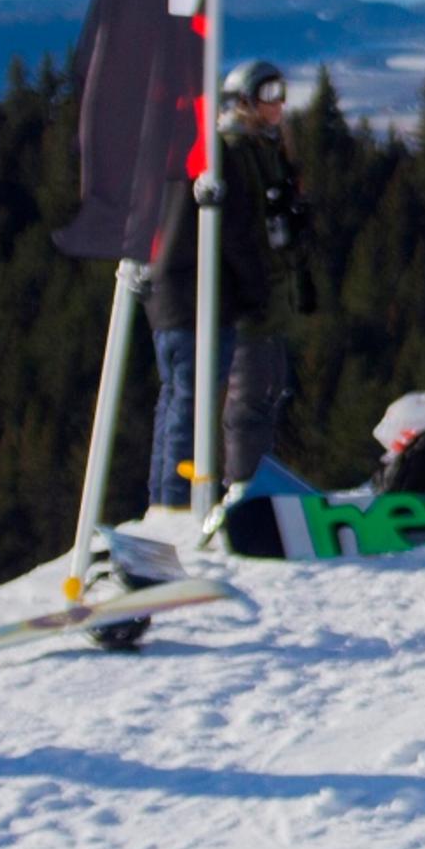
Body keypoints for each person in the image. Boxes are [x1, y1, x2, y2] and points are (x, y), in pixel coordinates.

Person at [144, 60, 302, 512]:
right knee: (194, 402)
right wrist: (254, 289)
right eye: (268, 93)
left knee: (177, 399)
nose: (277, 104)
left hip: (178, 296)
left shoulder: (181, 152)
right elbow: (237, 231)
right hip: (199, 299)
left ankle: (168, 499)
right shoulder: (222, 154)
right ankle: (178, 503)